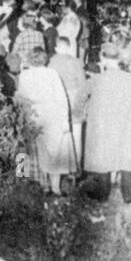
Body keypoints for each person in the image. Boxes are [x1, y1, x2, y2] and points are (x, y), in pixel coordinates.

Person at [82, 46, 131, 204]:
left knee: (103, 159)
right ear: (119, 59)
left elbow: (80, 96)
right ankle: (129, 196)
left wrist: (85, 111)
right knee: (126, 158)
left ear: (103, 59)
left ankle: (102, 194)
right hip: (127, 124)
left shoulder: (96, 80)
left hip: (104, 126)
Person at [15, 48, 76, 194]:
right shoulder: (52, 73)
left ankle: (43, 185)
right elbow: (62, 97)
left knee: (36, 152)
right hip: (52, 114)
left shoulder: (24, 75)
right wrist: (65, 120)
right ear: (45, 59)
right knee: (55, 152)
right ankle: (55, 188)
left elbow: (21, 99)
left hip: (34, 114)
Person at [49, 35, 87, 171]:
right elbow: (83, 85)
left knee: (60, 136)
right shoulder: (76, 62)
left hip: (57, 102)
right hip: (74, 99)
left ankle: (61, 167)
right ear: (69, 47)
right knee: (77, 135)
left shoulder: (51, 62)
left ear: (56, 48)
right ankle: (76, 168)